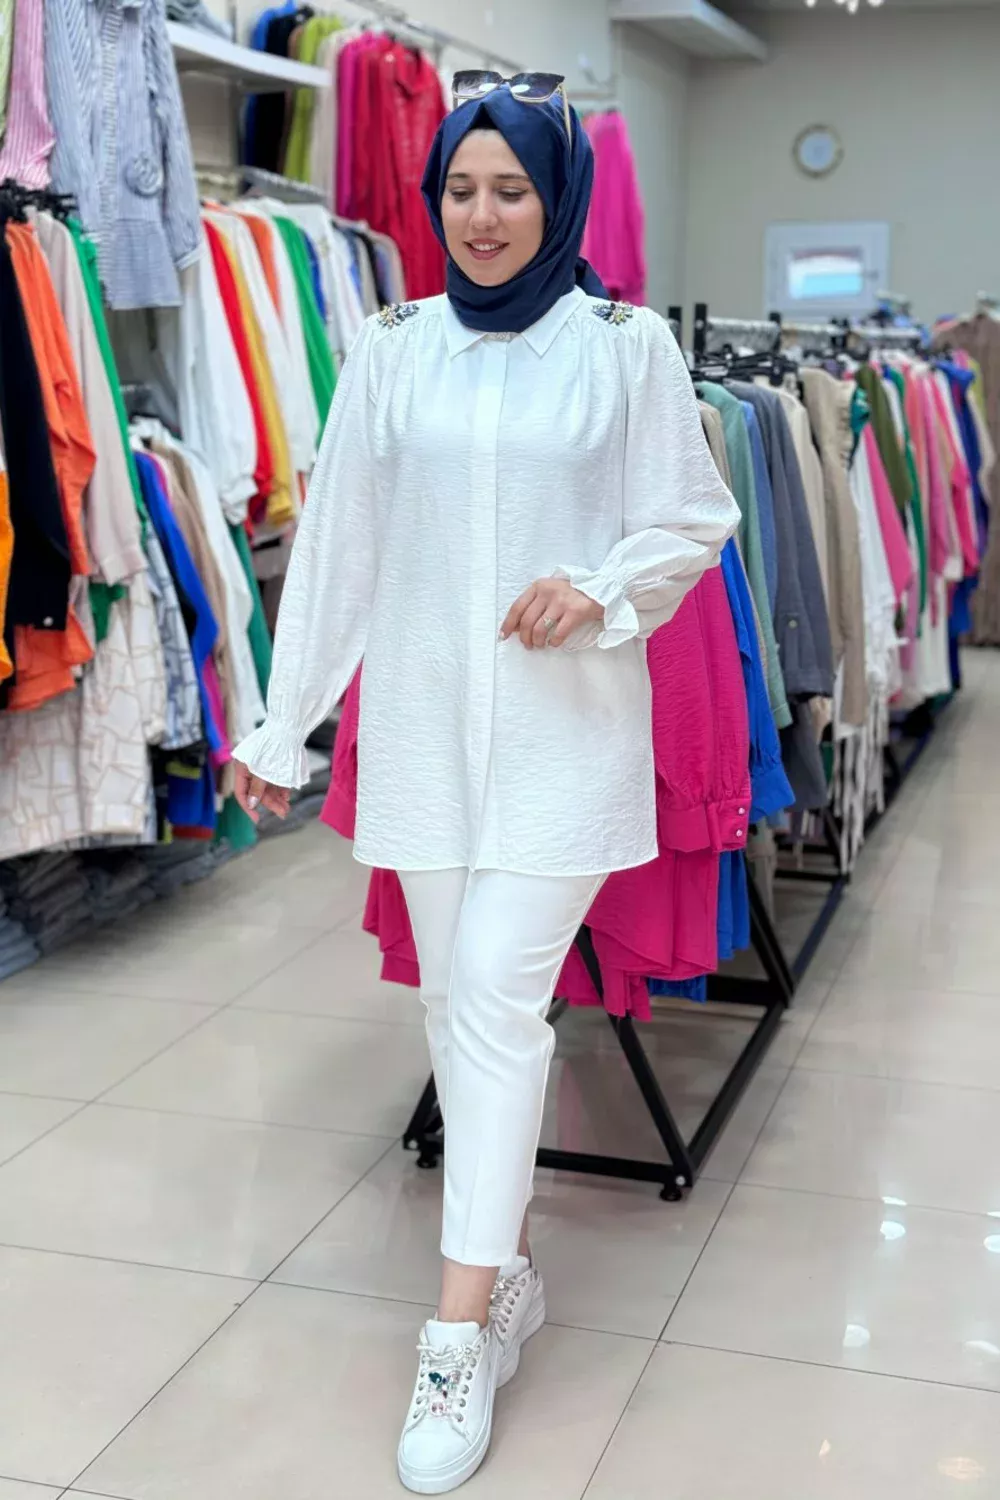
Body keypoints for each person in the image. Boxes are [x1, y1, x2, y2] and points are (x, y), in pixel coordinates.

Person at [232, 72, 739, 1496]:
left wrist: (602, 588)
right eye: (460, 188)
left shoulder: (626, 347)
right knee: (455, 1009)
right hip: (423, 734)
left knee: (500, 999)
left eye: (512, 188)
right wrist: (283, 725)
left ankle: (455, 1337)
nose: (482, 215)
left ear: (559, 195)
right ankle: (504, 1267)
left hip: (566, 735)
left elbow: (694, 515)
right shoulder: (394, 349)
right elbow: (339, 543)